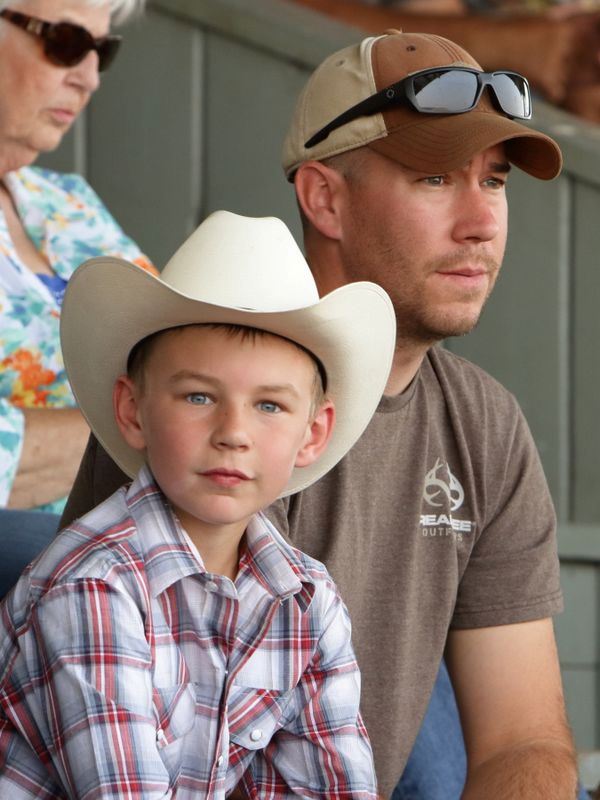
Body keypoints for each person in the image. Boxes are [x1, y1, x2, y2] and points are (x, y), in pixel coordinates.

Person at [62, 30, 579, 798]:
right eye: (436, 178)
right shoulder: (214, 407)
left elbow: (523, 741)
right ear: (324, 198)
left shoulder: (485, 424)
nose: (483, 221)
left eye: (495, 181)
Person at [0, 210, 395, 798]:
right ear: (133, 410)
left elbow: (335, 786)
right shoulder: (94, 587)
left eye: (269, 406)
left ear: (313, 434)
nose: (233, 432)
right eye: (199, 395)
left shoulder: (306, 601)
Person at [0, 0, 150, 589]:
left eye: (100, 51)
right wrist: (162, 423)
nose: (87, 76)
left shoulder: (69, 202)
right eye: (64, 41)